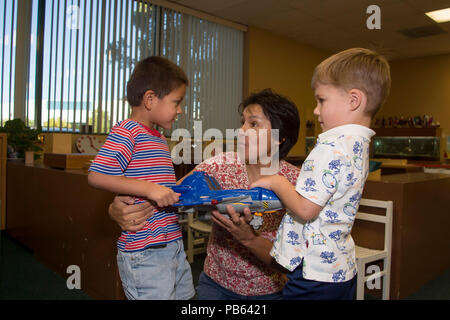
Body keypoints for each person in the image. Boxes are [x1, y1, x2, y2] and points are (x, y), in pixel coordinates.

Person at [109, 88, 301, 299]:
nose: (242, 131)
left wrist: (250, 239)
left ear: (280, 137)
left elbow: (294, 263)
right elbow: (168, 195)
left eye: (253, 124)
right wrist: (116, 208)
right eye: (242, 122)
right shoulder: (220, 164)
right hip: (215, 285)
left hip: (269, 291)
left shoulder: (297, 184)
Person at [250, 48, 391, 299]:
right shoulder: (358, 145)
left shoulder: (331, 146)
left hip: (313, 274)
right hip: (340, 270)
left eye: (321, 100)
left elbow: (306, 209)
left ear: (353, 100)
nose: (315, 110)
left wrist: (276, 181)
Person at [88, 56, 195, 300]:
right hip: (145, 250)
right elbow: (96, 175)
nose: (180, 110)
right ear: (149, 99)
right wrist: (149, 189)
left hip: (172, 243)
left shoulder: (157, 138)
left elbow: (162, 187)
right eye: (176, 102)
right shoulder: (128, 131)